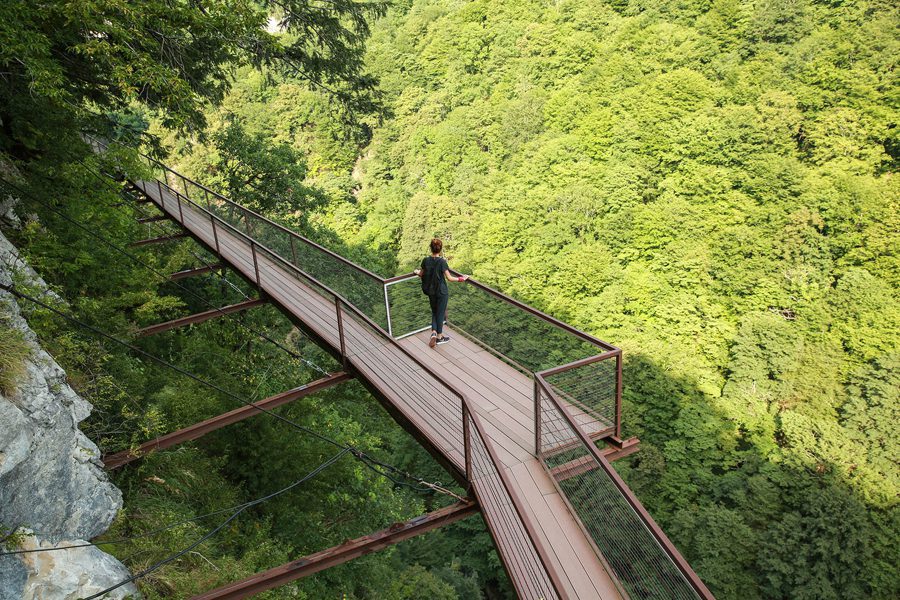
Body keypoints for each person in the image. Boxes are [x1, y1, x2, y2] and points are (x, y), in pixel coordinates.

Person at [414, 238, 468, 347]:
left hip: (431, 291)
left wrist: (415, 271)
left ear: (430, 248)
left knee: (434, 311)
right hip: (441, 292)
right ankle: (439, 337)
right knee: (440, 313)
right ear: (440, 249)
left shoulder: (426, 260)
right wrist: (462, 278)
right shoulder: (442, 262)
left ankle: (434, 332)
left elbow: (421, 274)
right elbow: (449, 278)